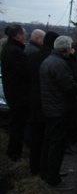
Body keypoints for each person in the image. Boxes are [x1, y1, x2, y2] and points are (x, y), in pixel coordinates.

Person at [40, 35, 77, 190]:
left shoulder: (50, 60)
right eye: (71, 47)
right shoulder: (59, 64)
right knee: (56, 145)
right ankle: (53, 179)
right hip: (59, 109)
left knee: (50, 142)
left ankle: (47, 172)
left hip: (52, 107)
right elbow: (68, 86)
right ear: (66, 49)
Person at [26, 31, 59, 175]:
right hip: (50, 103)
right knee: (49, 138)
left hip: (34, 99)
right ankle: (46, 170)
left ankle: (34, 167)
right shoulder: (52, 60)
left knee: (36, 136)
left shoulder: (32, 56)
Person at [1, 24, 30, 162]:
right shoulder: (15, 52)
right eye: (23, 34)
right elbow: (25, 73)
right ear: (17, 35)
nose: (25, 37)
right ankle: (14, 153)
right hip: (18, 94)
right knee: (18, 126)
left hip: (13, 92)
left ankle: (14, 151)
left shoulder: (9, 49)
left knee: (16, 125)